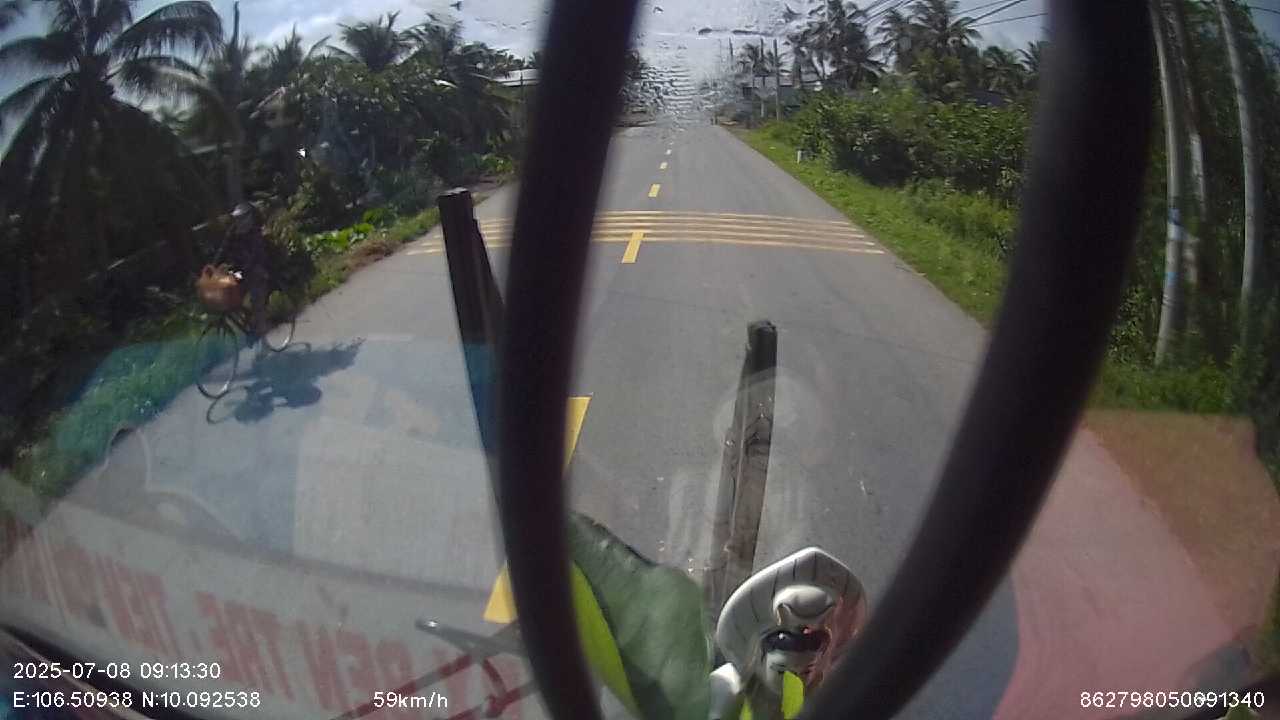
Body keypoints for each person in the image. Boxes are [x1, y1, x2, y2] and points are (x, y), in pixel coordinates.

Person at [217, 202, 269, 341]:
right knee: (230, 293)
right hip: (239, 271)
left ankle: (263, 337)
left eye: (241, 218)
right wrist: (213, 266)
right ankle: (248, 320)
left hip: (256, 271)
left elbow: (257, 255)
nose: (238, 221)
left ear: (249, 218)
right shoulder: (233, 233)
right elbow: (223, 249)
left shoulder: (255, 233)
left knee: (256, 303)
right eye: (237, 218)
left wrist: (247, 267)